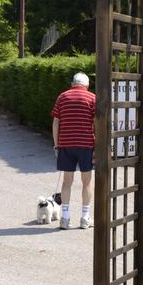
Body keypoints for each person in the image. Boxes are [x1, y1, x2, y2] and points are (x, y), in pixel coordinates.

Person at [51, 72, 96, 230]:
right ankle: (85, 218)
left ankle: (65, 218)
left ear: (72, 84)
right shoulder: (92, 98)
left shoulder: (62, 97)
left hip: (66, 144)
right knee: (87, 182)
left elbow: (56, 122)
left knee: (67, 182)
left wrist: (56, 145)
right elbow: (96, 122)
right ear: (87, 85)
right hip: (86, 145)